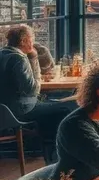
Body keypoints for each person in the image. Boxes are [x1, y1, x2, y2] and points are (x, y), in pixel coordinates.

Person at [0, 25, 75, 158]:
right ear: (23, 41)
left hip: (5, 111)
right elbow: (33, 89)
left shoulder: (3, 54)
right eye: (31, 39)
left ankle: (49, 151)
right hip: (21, 110)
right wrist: (34, 59)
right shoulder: (19, 59)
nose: (33, 42)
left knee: (53, 103)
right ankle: (56, 154)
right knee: (68, 106)